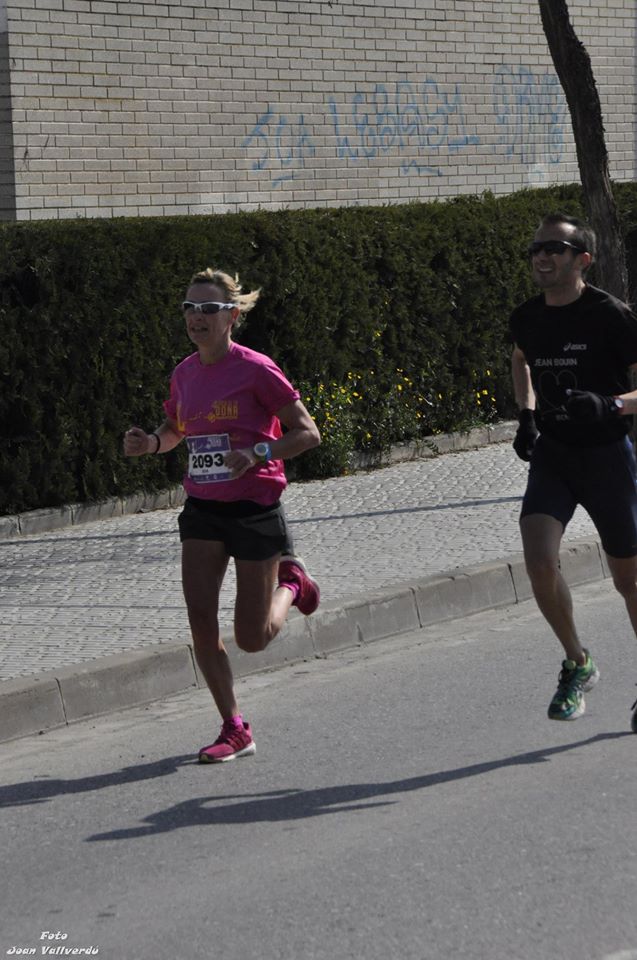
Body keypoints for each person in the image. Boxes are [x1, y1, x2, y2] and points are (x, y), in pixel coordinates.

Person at [124, 268, 321, 762]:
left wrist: (258, 451)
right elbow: (176, 427)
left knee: (252, 639)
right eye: (189, 308)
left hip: (254, 508)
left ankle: (291, 584)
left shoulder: (257, 369)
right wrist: (152, 444)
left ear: (231, 316)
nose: (197, 317)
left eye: (208, 309)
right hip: (203, 510)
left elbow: (308, 433)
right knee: (201, 623)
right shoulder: (185, 373)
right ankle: (235, 727)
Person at [510, 212, 637, 732]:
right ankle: (577, 662)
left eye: (553, 249)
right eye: (536, 249)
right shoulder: (527, 316)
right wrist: (526, 415)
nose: (541, 256)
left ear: (581, 259)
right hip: (555, 456)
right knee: (539, 561)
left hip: (608, 457)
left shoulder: (612, 315)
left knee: (629, 581)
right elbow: (520, 358)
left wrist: (611, 404)